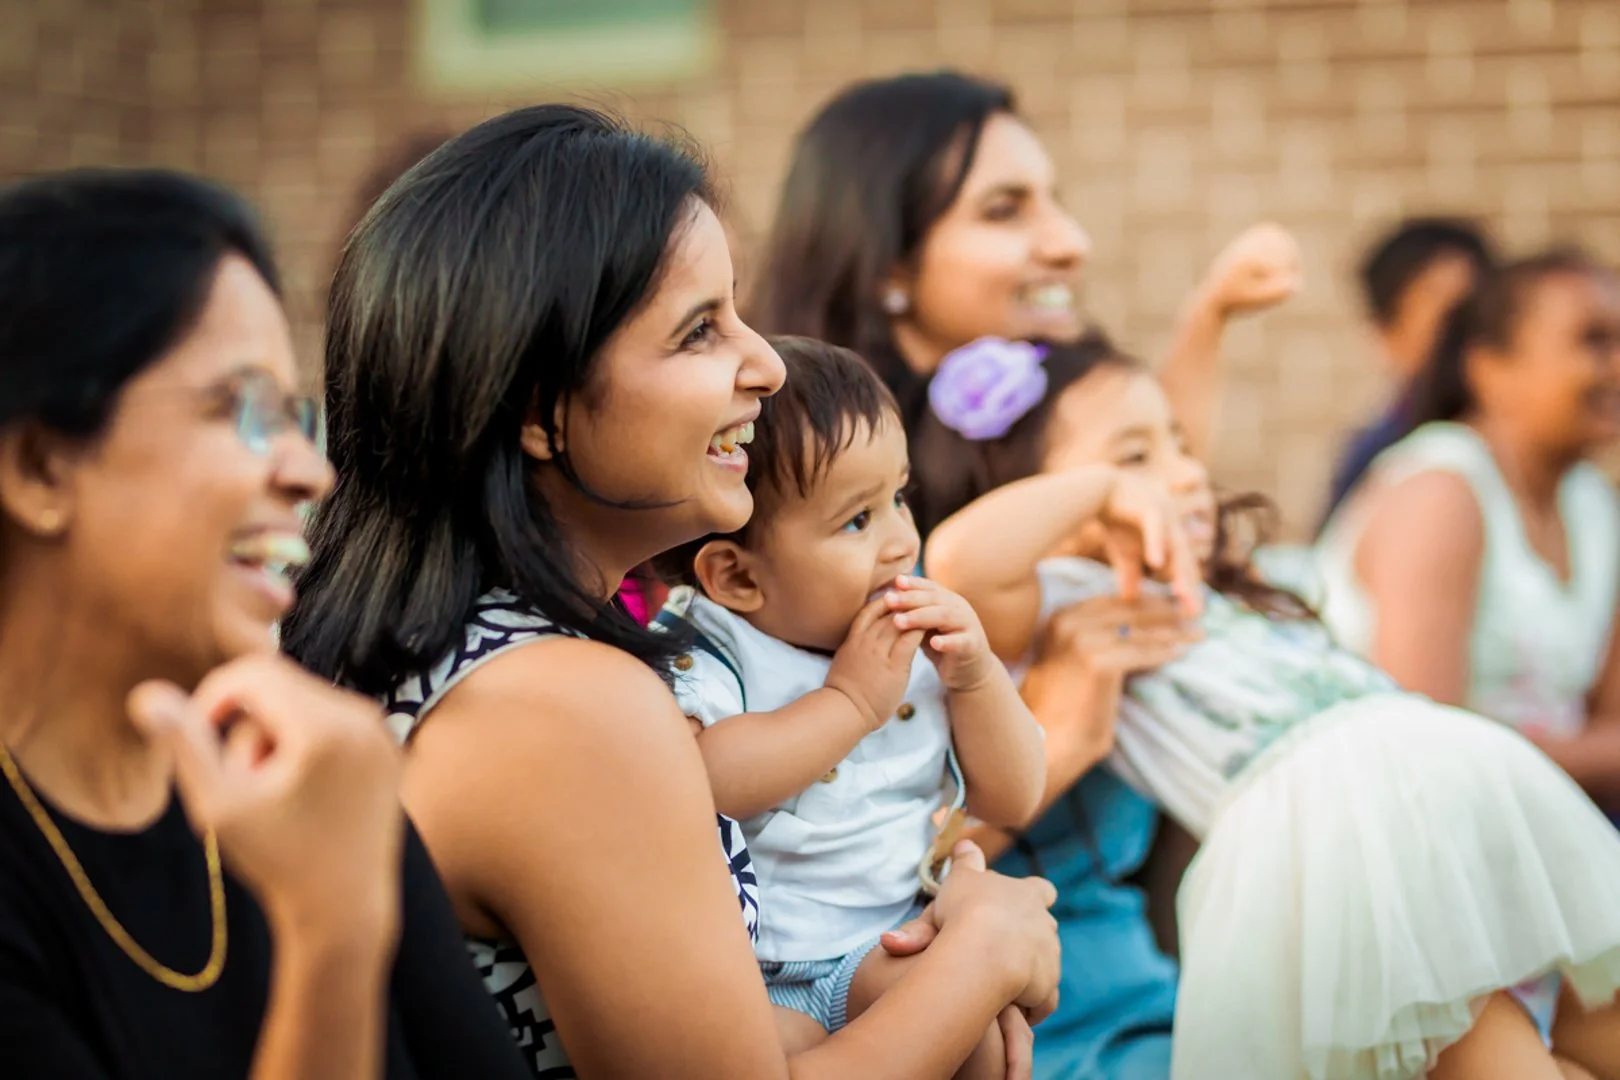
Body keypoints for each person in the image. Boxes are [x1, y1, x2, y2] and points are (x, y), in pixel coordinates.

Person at [280, 104, 1063, 1080]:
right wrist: (988, 952)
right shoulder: (561, 707)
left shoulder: (456, 646)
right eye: (700, 331)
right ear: (537, 409)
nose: (767, 366)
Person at [749, 70, 1297, 1079]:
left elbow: (1158, 476)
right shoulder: (808, 540)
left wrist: (1207, 320)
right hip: (976, 1004)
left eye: (1054, 198)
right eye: (1007, 209)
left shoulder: (1043, 467)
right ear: (886, 265)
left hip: (1147, 974)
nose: (1068, 241)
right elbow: (830, 847)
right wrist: (1055, 723)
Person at [918, 334, 1620, 1080]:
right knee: (1485, 1045)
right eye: (1134, 459)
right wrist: (1103, 493)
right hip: (1334, 831)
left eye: (1178, 448)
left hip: (1434, 781)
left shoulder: (1222, 586)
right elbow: (965, 557)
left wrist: (1218, 315)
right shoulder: (1072, 595)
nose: (1181, 474)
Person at [0, 169, 533, 1078]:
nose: (309, 473)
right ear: (43, 468)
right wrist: (331, 930)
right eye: (240, 409)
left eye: (295, 419)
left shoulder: (303, 776)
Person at [653, 338, 1047, 1075]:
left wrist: (977, 676)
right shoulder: (710, 645)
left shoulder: (916, 639)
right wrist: (850, 701)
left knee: (982, 1043)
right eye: (857, 521)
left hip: (882, 944)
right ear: (737, 579)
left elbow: (1014, 795)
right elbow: (702, 778)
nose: (902, 542)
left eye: (899, 497)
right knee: (788, 1052)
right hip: (753, 977)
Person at [1317, 252, 1620, 801]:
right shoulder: (1440, 492)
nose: (1617, 365)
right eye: (1594, 341)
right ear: (1489, 370)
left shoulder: (1594, 504)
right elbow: (1425, 745)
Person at [1318, 217, 1496, 526]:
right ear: (1384, 333)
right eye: (1449, 322)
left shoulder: (1528, 448)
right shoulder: (1379, 458)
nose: (1467, 343)